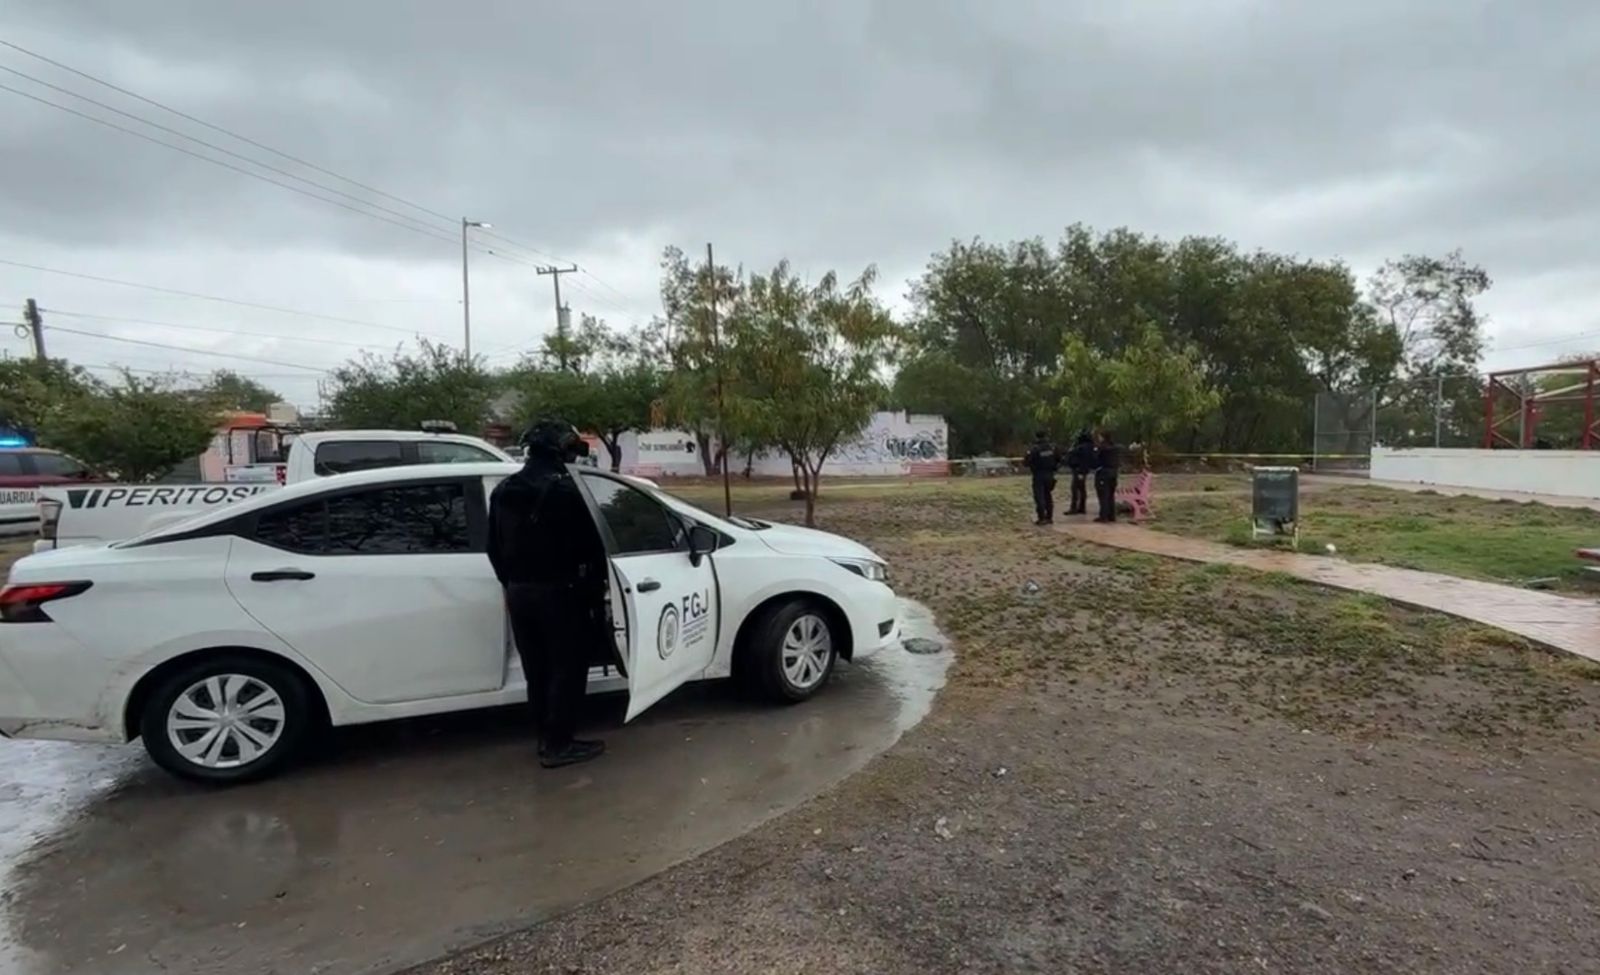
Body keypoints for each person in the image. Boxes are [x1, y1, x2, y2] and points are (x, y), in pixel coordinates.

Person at [487, 418, 610, 768]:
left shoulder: (504, 489)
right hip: (561, 593)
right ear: (561, 449)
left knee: (537, 670)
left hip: (520, 593)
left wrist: (509, 587)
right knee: (566, 670)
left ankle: (545, 738)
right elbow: (591, 547)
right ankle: (559, 745)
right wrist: (595, 587)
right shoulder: (567, 491)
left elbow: (492, 547)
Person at [1023, 430, 1061, 525]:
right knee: (1048, 495)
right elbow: (1059, 459)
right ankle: (1049, 517)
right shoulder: (1052, 448)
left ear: (1036, 437)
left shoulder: (1035, 449)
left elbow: (1026, 462)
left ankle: (1042, 518)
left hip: (1039, 475)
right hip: (1050, 474)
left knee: (1039, 497)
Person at [1094, 429, 1121, 523]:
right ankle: (1111, 515)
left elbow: (1096, 460)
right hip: (1114, 473)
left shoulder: (1102, 448)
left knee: (1103, 495)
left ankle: (1103, 516)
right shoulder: (1116, 448)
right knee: (1110, 495)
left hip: (1103, 473)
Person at [1066, 430, 1095, 515]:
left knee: (1075, 488)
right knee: (1081, 489)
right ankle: (1081, 507)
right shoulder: (1089, 446)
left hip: (1079, 469)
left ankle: (1074, 508)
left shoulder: (1082, 447)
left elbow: (1075, 455)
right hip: (1083, 469)